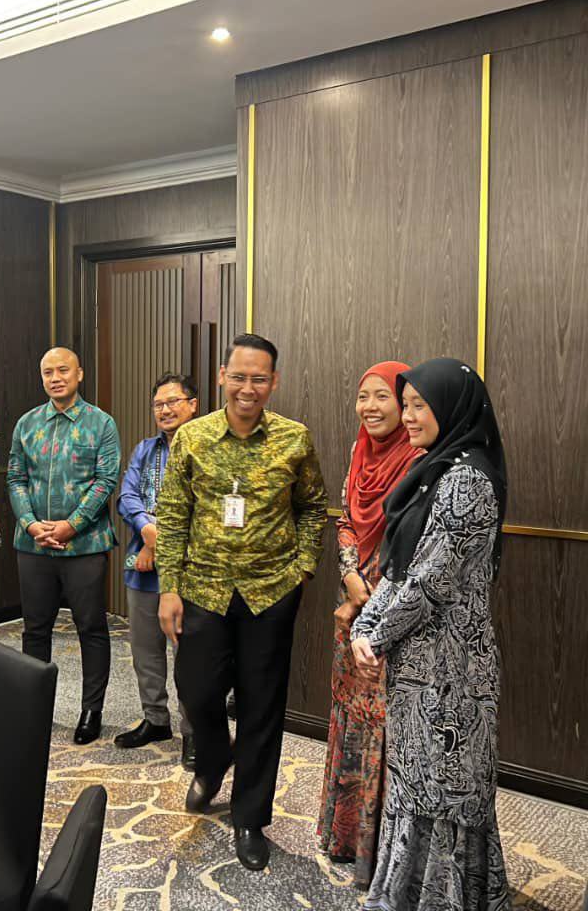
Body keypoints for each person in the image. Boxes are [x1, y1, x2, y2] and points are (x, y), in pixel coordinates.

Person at [157, 332, 327, 871]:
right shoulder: (192, 437)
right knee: (196, 689)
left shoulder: (294, 439)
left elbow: (313, 507)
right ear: (221, 378)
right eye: (238, 377)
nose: (247, 388)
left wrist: (302, 568)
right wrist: (168, 587)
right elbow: (172, 514)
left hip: (270, 591)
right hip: (203, 589)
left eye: (259, 378)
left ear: (273, 382)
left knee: (261, 706)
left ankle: (250, 817)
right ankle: (213, 761)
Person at [351, 358, 511, 910]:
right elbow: (400, 570)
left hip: (451, 673)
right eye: (407, 404)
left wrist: (375, 635)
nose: (409, 416)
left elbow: (432, 582)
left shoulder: (467, 480)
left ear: (452, 408)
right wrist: (367, 624)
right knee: (418, 787)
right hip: (422, 666)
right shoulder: (436, 469)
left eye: (421, 405)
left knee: (444, 792)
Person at [317, 361, 422, 886]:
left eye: (384, 397)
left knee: (386, 723)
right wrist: (350, 576)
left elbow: (417, 543)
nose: (371, 407)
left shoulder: (421, 460)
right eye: (364, 396)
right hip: (354, 599)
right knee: (352, 717)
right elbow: (345, 521)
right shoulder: (360, 454)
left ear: (405, 405)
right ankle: (347, 837)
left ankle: (382, 853)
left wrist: (374, 595)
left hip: (393, 615)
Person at [7, 347, 120, 745]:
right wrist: (30, 523)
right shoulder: (27, 424)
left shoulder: (101, 423)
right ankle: (33, 707)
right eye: (48, 372)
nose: (55, 378)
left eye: (63, 370)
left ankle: (91, 711)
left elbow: (106, 481)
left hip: (84, 545)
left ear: (79, 374)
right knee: (35, 630)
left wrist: (72, 525)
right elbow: (15, 478)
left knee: (91, 628)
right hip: (34, 544)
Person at [115, 372, 199, 767]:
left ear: (193, 405)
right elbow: (127, 496)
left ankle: (194, 732)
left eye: (173, 402)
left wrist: (155, 542)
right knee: (145, 651)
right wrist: (147, 532)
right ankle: (155, 719)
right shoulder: (145, 450)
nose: (165, 410)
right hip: (143, 568)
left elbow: (201, 507)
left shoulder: (206, 446)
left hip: (190, 571)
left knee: (190, 656)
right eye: (158, 404)